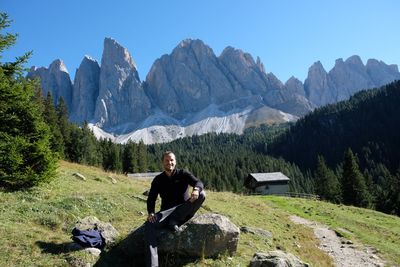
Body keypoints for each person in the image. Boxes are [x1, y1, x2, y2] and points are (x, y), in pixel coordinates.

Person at [145, 151, 206, 267]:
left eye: (172, 160)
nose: (170, 163)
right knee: (149, 224)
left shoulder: (183, 174)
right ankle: (152, 265)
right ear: (163, 163)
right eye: (167, 160)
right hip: (166, 213)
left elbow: (198, 182)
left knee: (202, 194)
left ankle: (175, 220)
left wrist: (196, 189)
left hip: (184, 209)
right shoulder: (158, 179)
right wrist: (151, 213)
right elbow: (151, 198)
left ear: (175, 161)